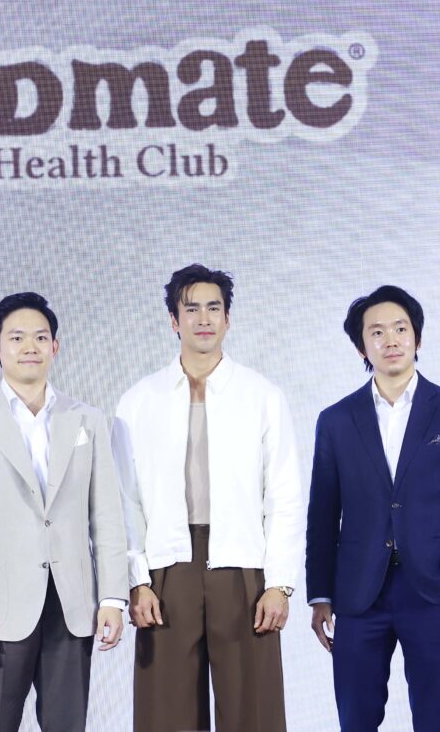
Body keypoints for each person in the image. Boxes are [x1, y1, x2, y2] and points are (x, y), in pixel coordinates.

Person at [113, 264, 304, 732]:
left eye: (213, 308)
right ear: (173, 321)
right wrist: (136, 579)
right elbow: (124, 500)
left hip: (242, 566)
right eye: (191, 309)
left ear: (228, 319)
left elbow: (284, 495)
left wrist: (279, 583)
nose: (203, 319)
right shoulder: (139, 401)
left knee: (253, 711)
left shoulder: (262, 395)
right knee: (165, 713)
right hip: (167, 567)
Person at [306, 285, 440, 732]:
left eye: (400, 328)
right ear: (361, 346)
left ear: (418, 337)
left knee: (436, 720)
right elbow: (322, 516)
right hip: (357, 594)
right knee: (356, 720)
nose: (390, 340)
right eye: (377, 332)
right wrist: (321, 594)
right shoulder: (336, 421)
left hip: (433, 589)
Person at [0, 292, 128, 732]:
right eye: (17, 337)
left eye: (41, 337)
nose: (30, 347)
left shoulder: (87, 420)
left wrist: (112, 598)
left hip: (72, 607)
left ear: (55, 347)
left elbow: (107, 517)